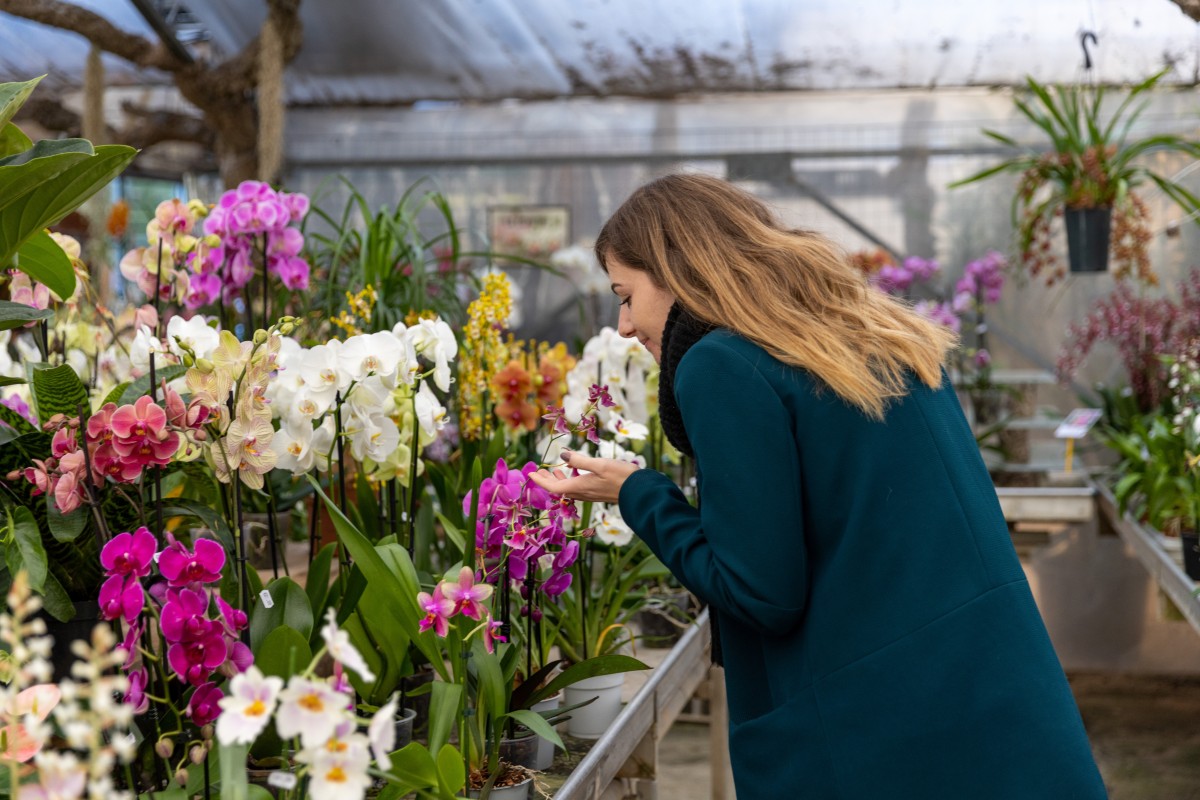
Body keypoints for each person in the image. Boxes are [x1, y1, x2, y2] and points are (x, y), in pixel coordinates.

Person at [529, 173, 1107, 799]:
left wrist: (639, 494)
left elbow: (761, 592)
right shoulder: (870, 332)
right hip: (993, 700)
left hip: (875, 735)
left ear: (676, 269)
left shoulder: (720, 365)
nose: (622, 324)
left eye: (625, 294)